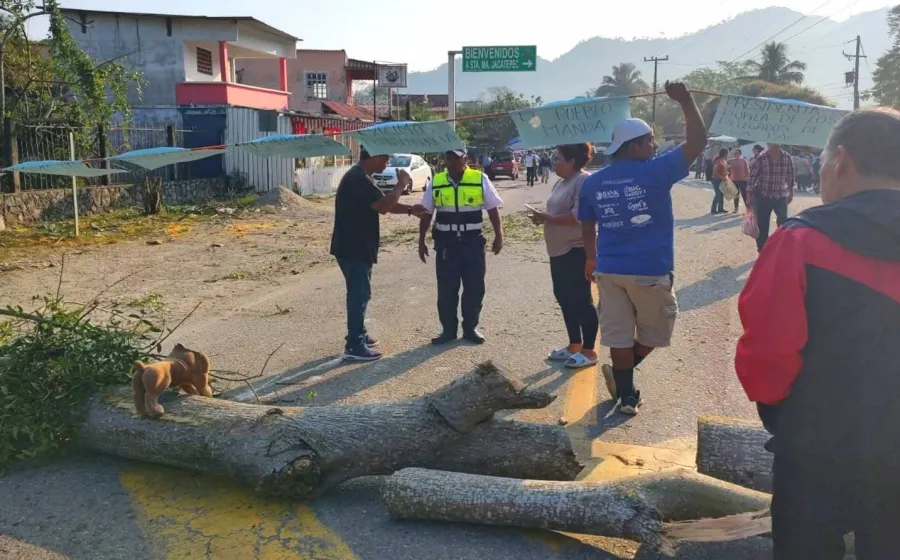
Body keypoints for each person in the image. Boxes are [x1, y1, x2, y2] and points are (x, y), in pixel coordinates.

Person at [735, 108, 900, 559]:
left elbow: (765, 356)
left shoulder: (800, 241)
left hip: (817, 449)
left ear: (840, 160)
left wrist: (787, 421)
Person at [580, 81, 706, 415]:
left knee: (619, 336)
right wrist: (686, 101)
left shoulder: (593, 182)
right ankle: (626, 384)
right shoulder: (656, 171)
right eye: (650, 140)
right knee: (656, 331)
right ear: (634, 146)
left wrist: (591, 258)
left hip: (609, 271)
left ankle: (626, 394)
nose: (654, 145)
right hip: (649, 271)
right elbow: (698, 142)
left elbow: (586, 223)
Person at [330, 149, 426, 361]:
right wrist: (401, 184)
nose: (388, 162)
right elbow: (383, 206)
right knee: (359, 294)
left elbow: (382, 204)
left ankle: (359, 333)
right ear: (372, 157)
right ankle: (354, 344)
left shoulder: (362, 178)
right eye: (385, 158)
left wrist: (410, 210)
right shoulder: (357, 179)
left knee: (359, 292)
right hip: (354, 247)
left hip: (355, 245)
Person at [418, 149, 504, 345]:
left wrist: (499, 235)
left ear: (465, 159)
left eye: (456, 158)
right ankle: (448, 330)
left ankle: (470, 328)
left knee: (474, 287)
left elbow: (492, 209)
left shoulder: (479, 178)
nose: (451, 162)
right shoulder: (437, 181)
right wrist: (421, 239)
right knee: (447, 289)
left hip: (472, 242)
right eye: (448, 158)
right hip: (446, 244)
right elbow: (426, 213)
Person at [527, 144, 599, 369]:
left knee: (581, 301)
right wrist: (543, 218)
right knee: (564, 297)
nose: (554, 162)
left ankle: (589, 351)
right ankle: (574, 344)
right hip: (558, 251)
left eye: (558, 159)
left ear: (572, 162)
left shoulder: (583, 181)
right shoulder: (561, 182)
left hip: (575, 250)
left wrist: (548, 217)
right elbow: (557, 213)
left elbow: (580, 216)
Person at [748, 144, 795, 252]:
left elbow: (790, 176)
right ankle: (762, 249)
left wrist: (791, 192)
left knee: (783, 222)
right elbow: (752, 177)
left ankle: (780, 246)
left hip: (781, 195)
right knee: (762, 225)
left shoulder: (786, 157)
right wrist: (749, 195)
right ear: (768, 143)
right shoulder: (761, 157)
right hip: (763, 196)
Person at [727, 148, 750, 212]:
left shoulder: (743, 161)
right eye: (734, 153)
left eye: (736, 153)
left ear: (740, 154)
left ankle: (748, 209)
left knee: (744, 195)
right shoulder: (730, 161)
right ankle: (736, 208)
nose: (735, 154)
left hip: (743, 180)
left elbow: (747, 170)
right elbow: (724, 166)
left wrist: (748, 177)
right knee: (735, 195)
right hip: (734, 180)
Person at [710, 148, 729, 214]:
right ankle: (713, 209)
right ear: (725, 153)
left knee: (721, 194)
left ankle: (720, 208)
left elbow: (724, 170)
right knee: (718, 194)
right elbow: (715, 172)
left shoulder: (724, 160)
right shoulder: (717, 161)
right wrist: (722, 177)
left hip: (722, 179)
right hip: (716, 179)